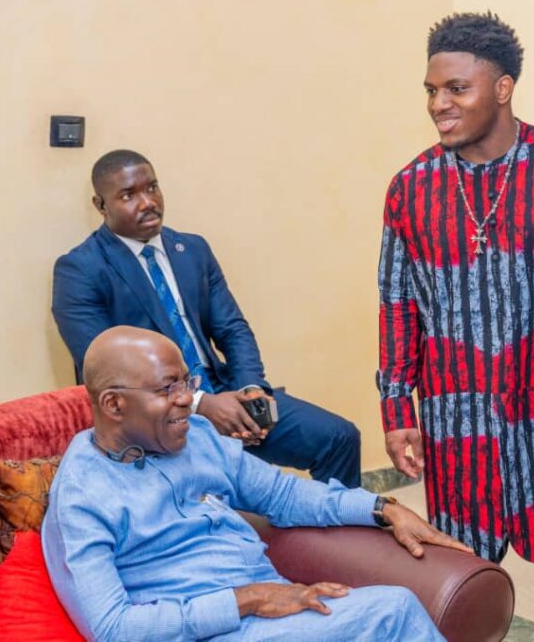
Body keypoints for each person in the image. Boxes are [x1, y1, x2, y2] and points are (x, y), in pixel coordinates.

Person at [377, 12, 534, 641]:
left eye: (456, 89)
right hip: (457, 422)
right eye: (431, 91)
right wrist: (397, 408)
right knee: (461, 583)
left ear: (502, 88)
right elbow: (397, 305)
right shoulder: (410, 188)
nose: (438, 105)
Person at [42, 326, 467, 641]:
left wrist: (382, 508)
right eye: (166, 389)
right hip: (208, 629)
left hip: (270, 611)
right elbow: (113, 628)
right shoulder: (83, 494)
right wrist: (246, 600)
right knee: (392, 612)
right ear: (114, 404)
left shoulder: (198, 437)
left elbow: (282, 494)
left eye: (186, 383)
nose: (186, 399)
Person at [52, 150, 361, 487]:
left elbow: (232, 329)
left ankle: (340, 522)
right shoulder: (80, 269)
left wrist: (250, 389)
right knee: (221, 487)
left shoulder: (192, 250)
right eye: (128, 195)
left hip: (226, 389)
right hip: (154, 413)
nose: (147, 202)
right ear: (101, 205)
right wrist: (201, 405)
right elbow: (106, 368)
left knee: (339, 438)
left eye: (152, 188)